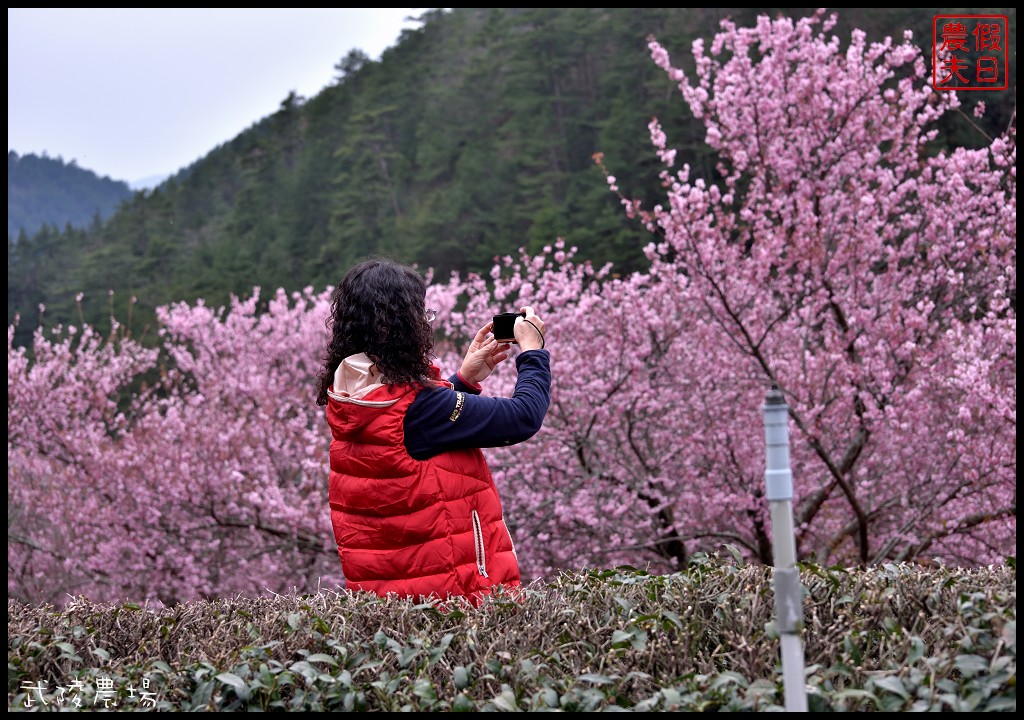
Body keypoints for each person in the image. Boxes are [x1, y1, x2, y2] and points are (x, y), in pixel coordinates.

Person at [315, 258, 550, 605]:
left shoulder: (356, 398)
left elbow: (417, 438)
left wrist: (462, 382)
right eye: (423, 315)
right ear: (405, 327)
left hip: (394, 604)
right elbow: (523, 417)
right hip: (451, 602)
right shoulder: (423, 410)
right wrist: (534, 351)